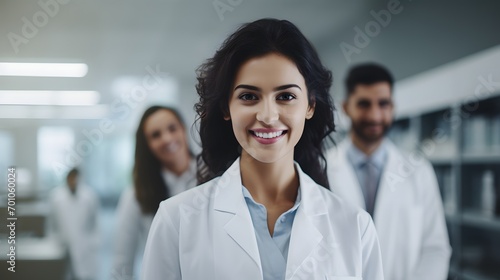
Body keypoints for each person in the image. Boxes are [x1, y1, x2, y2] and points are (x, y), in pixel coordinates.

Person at [141, 19, 384, 280]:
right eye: (249, 96)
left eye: (286, 96)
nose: (268, 116)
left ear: (310, 105)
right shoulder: (176, 220)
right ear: (226, 108)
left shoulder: (355, 227)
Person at [326, 63, 452, 280]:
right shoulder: (322, 169)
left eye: (383, 104)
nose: (375, 116)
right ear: (346, 107)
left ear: (392, 107)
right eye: (364, 104)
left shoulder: (419, 171)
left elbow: (436, 247)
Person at [112, 106, 197, 279]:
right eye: (155, 135)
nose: (167, 138)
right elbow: (122, 261)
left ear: (183, 129)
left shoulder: (214, 178)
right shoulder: (136, 195)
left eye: (172, 128)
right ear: (147, 145)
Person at [48, 168, 100, 280]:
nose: (73, 181)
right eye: (71, 178)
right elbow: (52, 223)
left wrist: (93, 243)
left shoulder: (89, 196)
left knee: (83, 274)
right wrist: (54, 241)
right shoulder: (56, 197)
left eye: (75, 178)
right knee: (65, 274)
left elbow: (95, 223)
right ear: (67, 179)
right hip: (63, 245)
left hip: (85, 247)